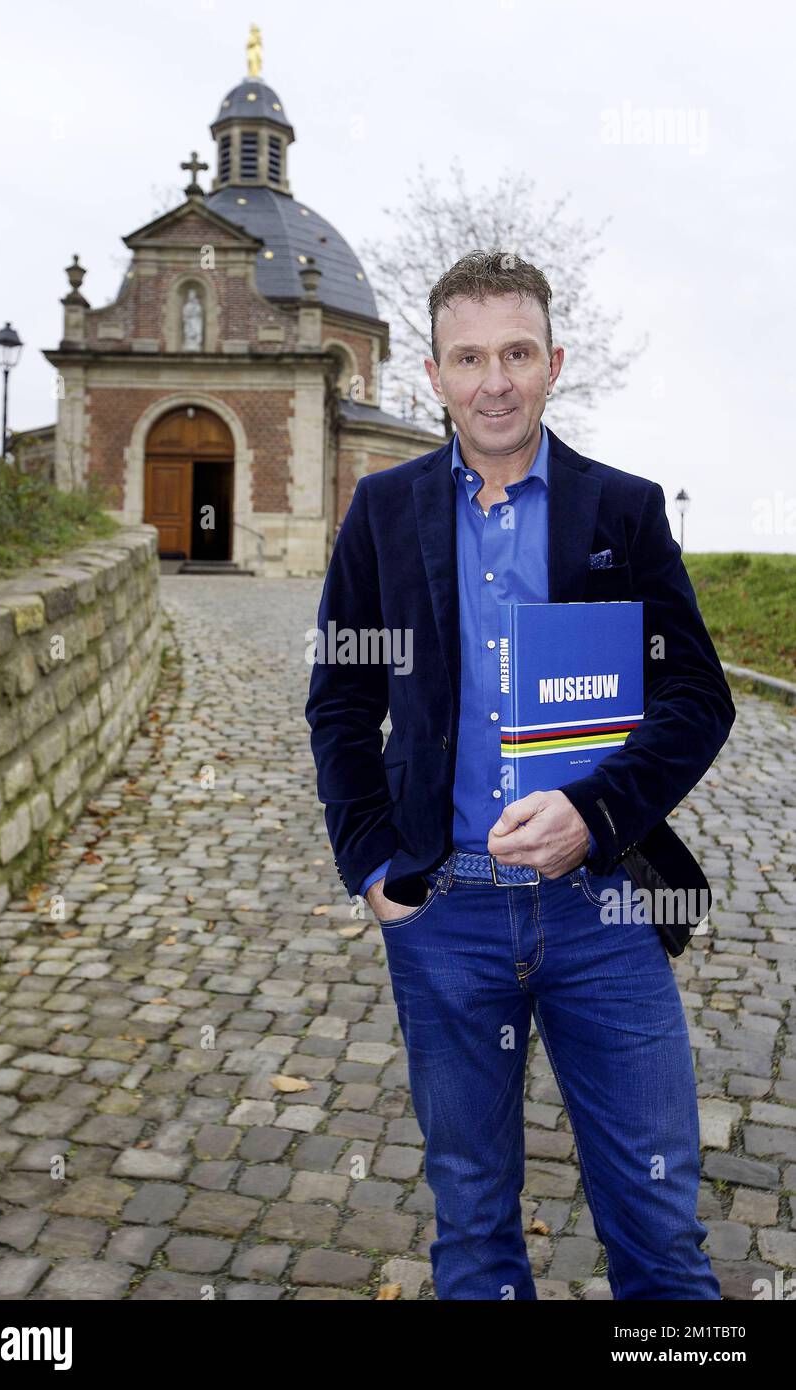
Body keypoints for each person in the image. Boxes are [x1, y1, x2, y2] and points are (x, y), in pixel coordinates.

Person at [305, 249, 735, 1300]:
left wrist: (594, 812)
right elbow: (342, 698)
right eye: (468, 357)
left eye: (515, 352)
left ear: (551, 362)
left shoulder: (620, 511)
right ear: (431, 375)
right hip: (443, 917)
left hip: (601, 917)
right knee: (471, 1229)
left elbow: (696, 699)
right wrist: (371, 867)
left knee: (660, 1237)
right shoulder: (381, 509)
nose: (492, 378)